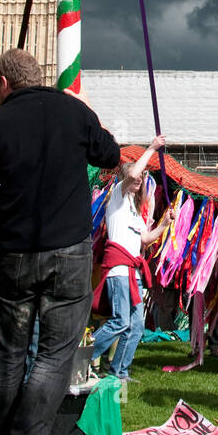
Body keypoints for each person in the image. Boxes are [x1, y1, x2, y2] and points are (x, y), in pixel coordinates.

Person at [0, 49, 121, 435]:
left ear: (4, 83)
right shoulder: (73, 112)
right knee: (54, 355)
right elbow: (109, 155)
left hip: (17, 252)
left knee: (9, 354)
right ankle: (29, 431)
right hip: (68, 250)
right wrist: (88, 112)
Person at [88, 134, 173, 380]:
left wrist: (165, 224)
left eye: (142, 178)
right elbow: (133, 175)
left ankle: (119, 372)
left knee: (135, 327)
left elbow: (145, 239)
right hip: (119, 271)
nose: (139, 180)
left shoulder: (135, 212)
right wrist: (152, 148)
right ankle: (80, 355)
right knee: (120, 321)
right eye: (135, 177)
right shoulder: (117, 196)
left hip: (133, 273)